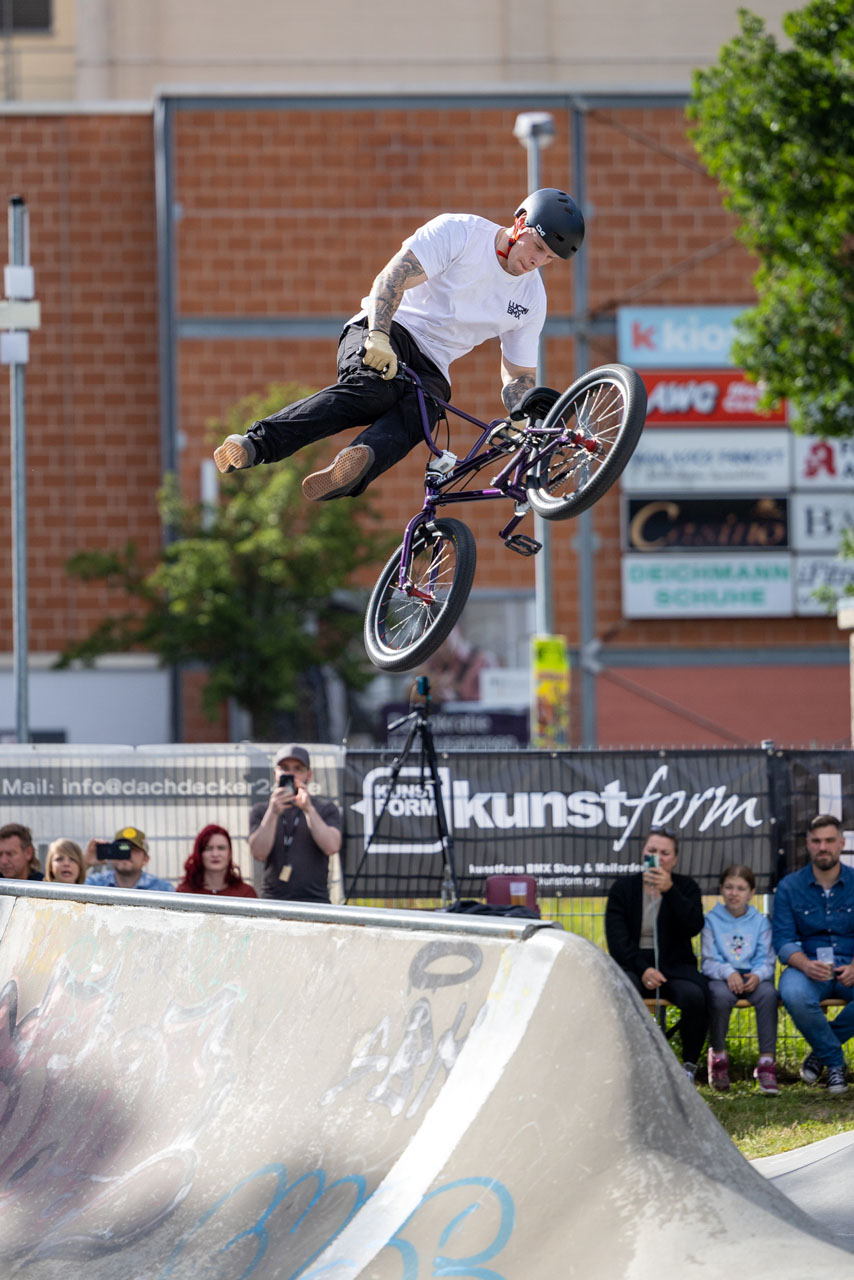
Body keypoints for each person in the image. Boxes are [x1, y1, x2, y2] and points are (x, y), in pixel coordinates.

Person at [213, 189, 584, 501]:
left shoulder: (532, 298)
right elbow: (391, 280)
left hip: (434, 365)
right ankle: (255, 444)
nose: (536, 260)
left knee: (421, 414)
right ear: (520, 223)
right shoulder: (460, 233)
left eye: (548, 258)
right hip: (391, 326)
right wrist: (377, 335)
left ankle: (354, 466)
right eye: (536, 246)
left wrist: (526, 414)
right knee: (373, 393)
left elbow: (517, 373)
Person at [605, 826, 708, 1082]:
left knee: (696, 997)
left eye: (665, 853)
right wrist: (643, 969)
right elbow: (617, 941)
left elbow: (693, 926)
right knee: (621, 991)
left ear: (674, 858)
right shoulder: (623, 888)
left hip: (674, 965)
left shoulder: (686, 887)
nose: (658, 857)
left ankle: (689, 1066)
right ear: (643, 853)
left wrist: (670, 891)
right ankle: (627, 1061)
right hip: (634, 964)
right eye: (652, 850)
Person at [772, 813, 854, 1096]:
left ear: (841, 843)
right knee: (793, 992)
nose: (823, 847)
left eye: (830, 840)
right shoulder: (789, 887)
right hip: (808, 966)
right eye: (817, 841)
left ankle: (822, 1053)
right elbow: (782, 940)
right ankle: (834, 1063)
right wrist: (806, 965)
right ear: (808, 844)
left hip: (850, 966)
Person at [701, 864, 779, 1094]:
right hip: (722, 977)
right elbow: (708, 961)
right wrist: (728, 973)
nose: (734, 893)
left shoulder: (760, 922)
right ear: (721, 889)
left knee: (768, 995)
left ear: (752, 893)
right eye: (729, 887)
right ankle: (718, 1057)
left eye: (741, 888)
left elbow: (767, 960)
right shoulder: (711, 920)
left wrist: (757, 975)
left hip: (751, 977)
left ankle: (766, 1063)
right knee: (718, 997)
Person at [249, 745, 341, 903]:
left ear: (309, 775)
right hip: (273, 900)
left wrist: (308, 810)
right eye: (284, 768)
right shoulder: (262, 810)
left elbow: (332, 846)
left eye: (298, 769)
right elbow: (258, 852)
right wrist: (273, 812)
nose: (291, 774)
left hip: (315, 901)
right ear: (275, 774)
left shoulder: (325, 808)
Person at [84, 826, 175, 892]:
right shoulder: (94, 884)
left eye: (134, 849)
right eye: (120, 848)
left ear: (146, 859)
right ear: (111, 852)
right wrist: (85, 863)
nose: (126, 852)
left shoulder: (163, 889)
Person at [177, 824, 258, 898]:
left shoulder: (246, 894)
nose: (215, 854)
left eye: (221, 848)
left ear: (230, 853)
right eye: (208, 848)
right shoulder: (185, 894)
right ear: (199, 854)